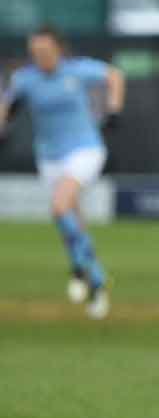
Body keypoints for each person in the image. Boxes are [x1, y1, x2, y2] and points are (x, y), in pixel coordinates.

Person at [0, 25, 125, 319]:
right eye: (35, 52)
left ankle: (96, 274)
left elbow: (115, 75)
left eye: (45, 50)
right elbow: (7, 104)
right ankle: (87, 274)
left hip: (85, 149)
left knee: (59, 208)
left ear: (58, 49)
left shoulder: (78, 71)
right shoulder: (26, 79)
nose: (40, 56)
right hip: (50, 157)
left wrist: (114, 109)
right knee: (71, 219)